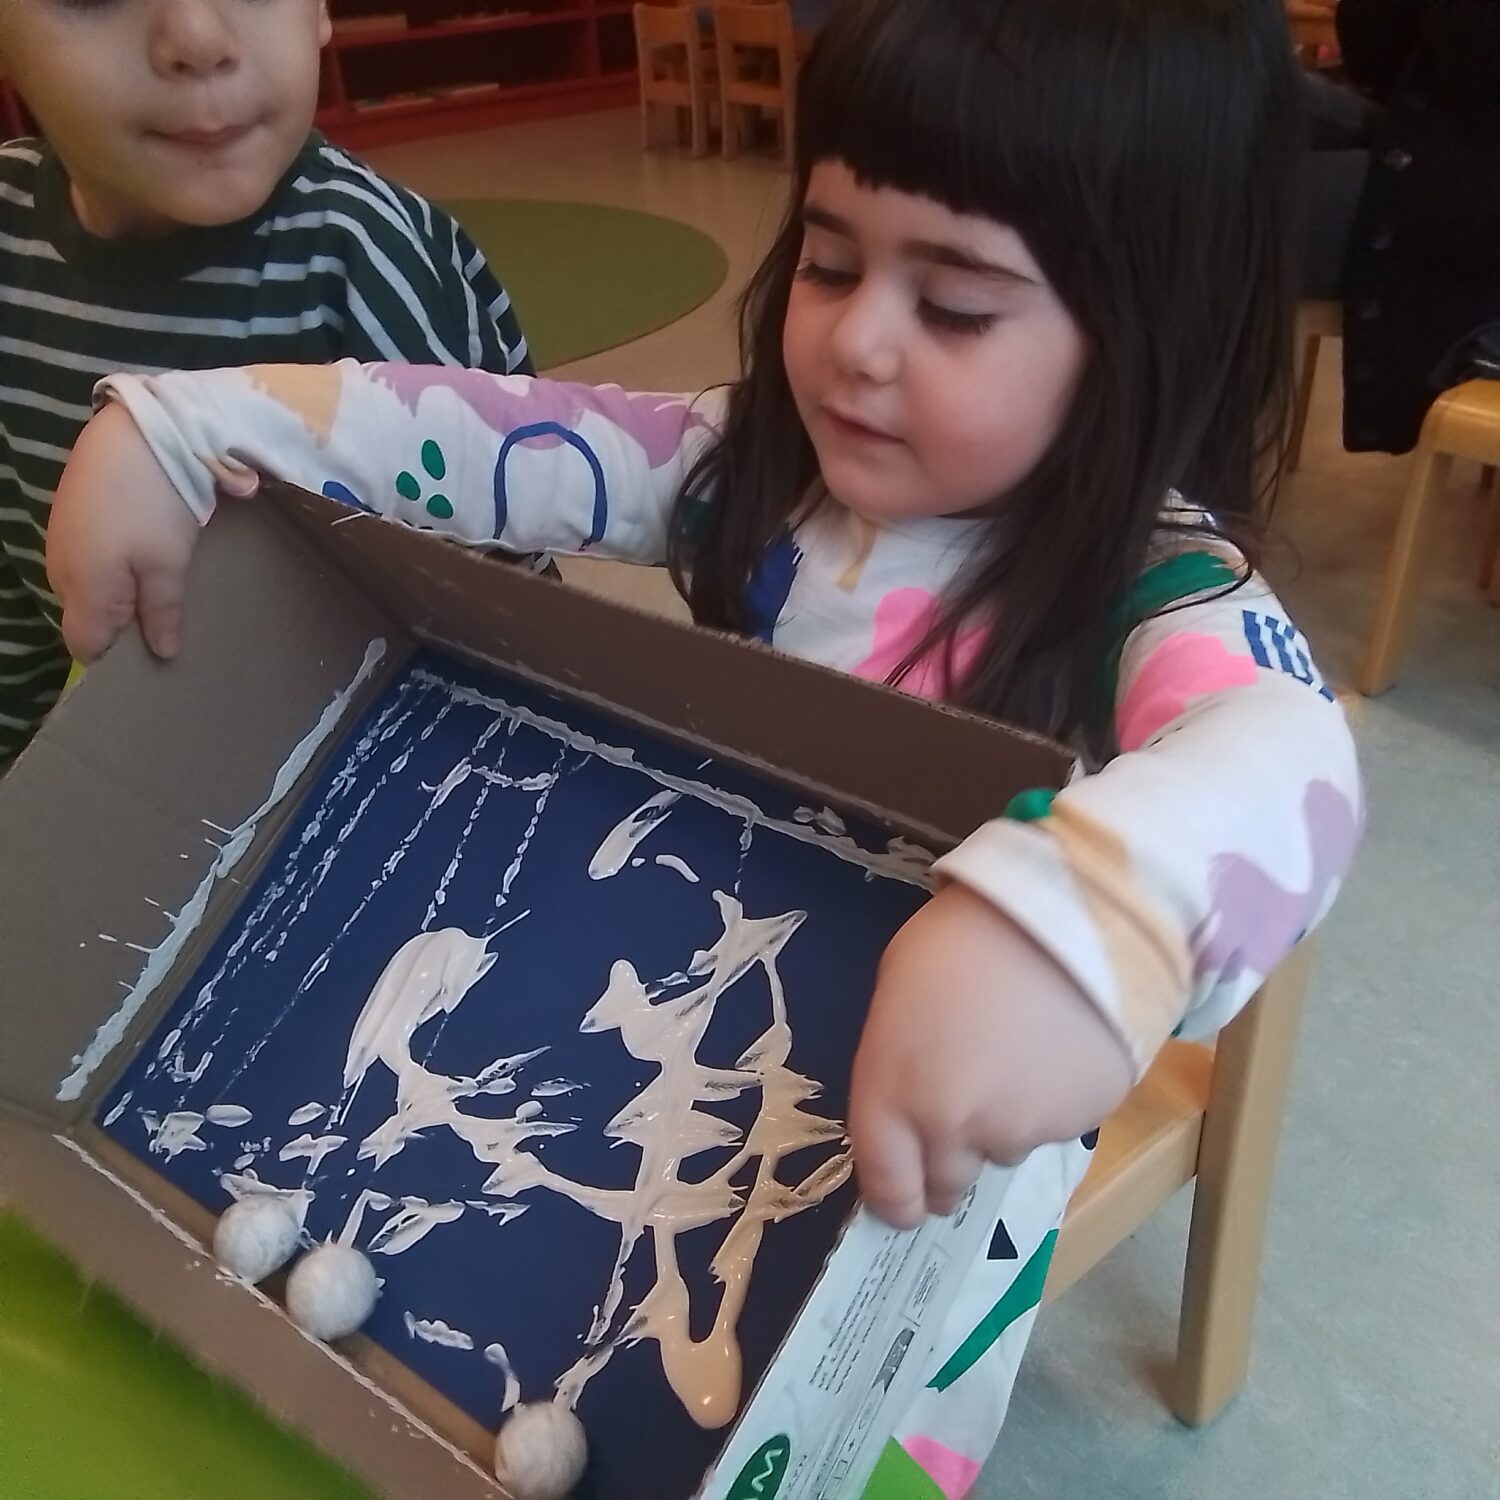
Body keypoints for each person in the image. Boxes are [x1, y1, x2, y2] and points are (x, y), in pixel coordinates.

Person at [48, 0, 1361, 1490]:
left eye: (955, 305)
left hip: (919, 1214)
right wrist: (189, 426)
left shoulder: (1158, 588)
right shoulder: (743, 469)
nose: (856, 342)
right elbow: (472, 430)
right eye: (831, 259)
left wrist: (1085, 921)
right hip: (690, 1070)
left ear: (1150, 334)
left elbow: (1292, 758)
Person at [0, 0, 534, 768]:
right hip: (131, 766)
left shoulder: (363, 256)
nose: (197, 40)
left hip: (369, 767)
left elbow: (497, 619)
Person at [1301, 0, 1500, 451]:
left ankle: (1179, 477)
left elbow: (1468, 61)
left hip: (1465, 200)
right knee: (1215, 94)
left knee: (1198, 195)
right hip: (1425, 135)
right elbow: (1374, 57)